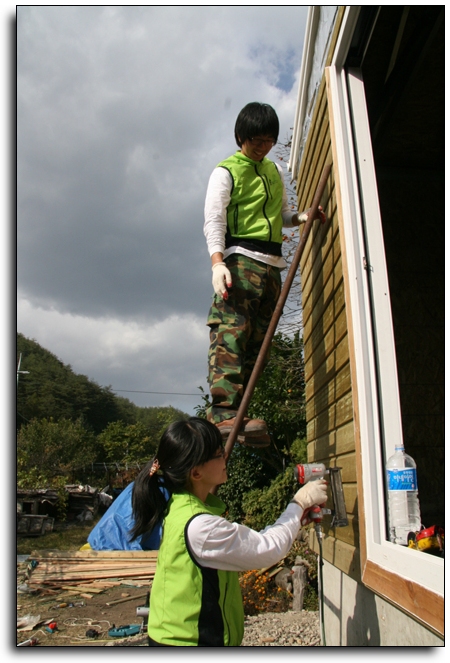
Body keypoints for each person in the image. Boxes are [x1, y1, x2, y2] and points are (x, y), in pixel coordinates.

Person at [131, 417, 328, 647]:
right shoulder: (201, 527)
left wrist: (293, 520)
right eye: (217, 453)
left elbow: (252, 542)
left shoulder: (181, 507)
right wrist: (299, 502)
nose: (224, 456)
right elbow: (268, 549)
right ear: (196, 473)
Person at [203, 102, 325, 448]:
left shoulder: (274, 171)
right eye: (256, 140)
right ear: (241, 137)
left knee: (259, 344)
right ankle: (222, 413)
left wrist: (300, 218)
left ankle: (240, 418)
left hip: (272, 266)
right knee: (231, 335)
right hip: (240, 262)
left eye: (269, 140)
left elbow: (282, 214)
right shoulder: (226, 171)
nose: (263, 147)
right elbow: (214, 220)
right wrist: (217, 263)